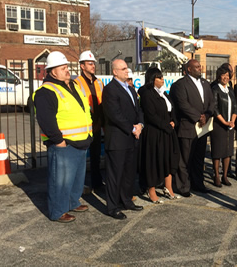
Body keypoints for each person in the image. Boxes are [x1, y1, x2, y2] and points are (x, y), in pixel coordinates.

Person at [33, 51, 93, 223]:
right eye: (63, 68)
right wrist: (59, 141)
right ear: (53, 72)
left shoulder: (72, 86)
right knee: (60, 182)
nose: (67, 70)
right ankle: (57, 211)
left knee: (75, 180)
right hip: (64, 145)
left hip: (80, 142)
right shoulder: (47, 91)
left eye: (67, 67)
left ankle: (72, 202)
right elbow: (45, 120)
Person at [102, 59, 144, 220]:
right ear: (115, 72)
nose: (128, 71)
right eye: (124, 68)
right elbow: (115, 115)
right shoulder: (110, 90)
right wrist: (133, 128)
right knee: (115, 174)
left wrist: (140, 124)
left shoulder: (131, 89)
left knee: (129, 173)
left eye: (127, 68)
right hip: (118, 139)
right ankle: (113, 207)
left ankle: (126, 200)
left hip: (132, 138)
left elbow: (138, 110)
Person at [170, 59, 215, 197]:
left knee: (198, 158)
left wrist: (206, 116)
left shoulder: (205, 84)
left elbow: (212, 103)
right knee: (185, 159)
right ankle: (183, 186)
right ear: (188, 69)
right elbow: (182, 104)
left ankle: (198, 184)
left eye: (199, 66)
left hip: (203, 128)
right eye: (196, 67)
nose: (199, 68)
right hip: (187, 127)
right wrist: (198, 117)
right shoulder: (180, 84)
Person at [139, 67, 180, 203]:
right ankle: (151, 190)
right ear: (152, 79)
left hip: (167, 133)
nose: (163, 79)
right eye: (159, 77)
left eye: (162, 77)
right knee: (153, 161)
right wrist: (167, 126)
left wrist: (173, 121)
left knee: (169, 159)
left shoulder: (164, 93)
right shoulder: (146, 94)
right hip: (154, 133)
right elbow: (151, 115)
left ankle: (168, 188)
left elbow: (171, 109)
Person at [75, 50, 104, 192]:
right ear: (82, 66)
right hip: (84, 125)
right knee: (80, 159)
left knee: (96, 156)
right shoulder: (76, 83)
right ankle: (79, 186)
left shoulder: (98, 82)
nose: (93, 66)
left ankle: (97, 184)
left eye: (93, 63)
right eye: (89, 63)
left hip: (97, 124)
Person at [210, 67, 237, 187]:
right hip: (219, 125)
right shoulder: (215, 89)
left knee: (228, 151)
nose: (226, 77)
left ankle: (225, 176)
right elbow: (214, 109)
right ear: (218, 76)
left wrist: (232, 121)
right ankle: (216, 175)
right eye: (223, 75)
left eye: (227, 75)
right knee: (217, 151)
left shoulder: (230, 90)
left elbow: (235, 107)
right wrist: (224, 122)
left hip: (230, 126)